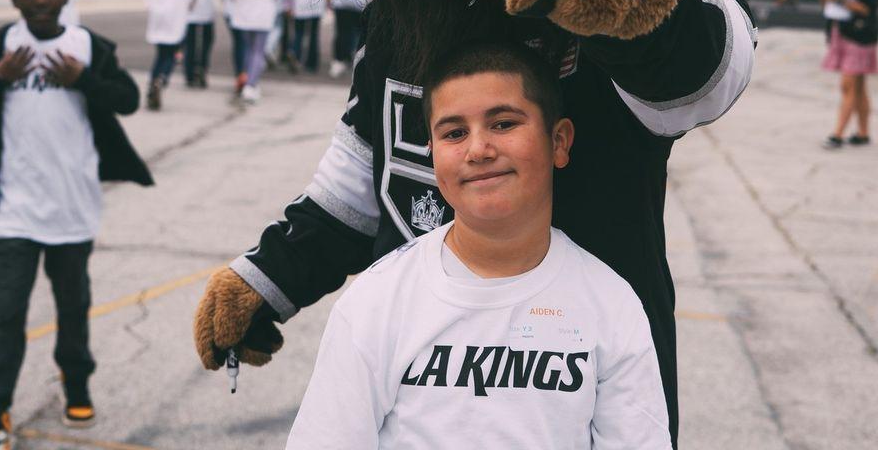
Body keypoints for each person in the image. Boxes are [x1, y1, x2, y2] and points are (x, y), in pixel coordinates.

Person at [285, 41, 671, 450]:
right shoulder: (377, 301)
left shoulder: (611, 304)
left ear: (558, 141)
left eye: (503, 124)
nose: (478, 150)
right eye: (454, 133)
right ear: (432, 155)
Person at [0, 0, 151, 444]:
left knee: (71, 307)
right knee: (5, 313)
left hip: (73, 206)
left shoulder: (88, 47)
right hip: (13, 210)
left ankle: (77, 387)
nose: (40, 0)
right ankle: (1, 404)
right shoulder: (5, 45)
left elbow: (128, 98)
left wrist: (84, 80)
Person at [818, 0, 878, 148]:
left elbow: (866, 9)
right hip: (843, 33)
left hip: (859, 37)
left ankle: (838, 134)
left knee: (848, 86)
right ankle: (863, 133)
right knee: (860, 87)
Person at [143, 0, 198, 111]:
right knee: (173, 53)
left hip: (159, 17)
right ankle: (162, 79)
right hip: (177, 16)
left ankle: (153, 83)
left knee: (161, 53)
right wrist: (188, 8)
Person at [223, 0, 283, 104]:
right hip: (263, 14)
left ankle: (248, 81)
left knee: (248, 49)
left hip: (244, 14)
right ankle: (251, 85)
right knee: (258, 51)